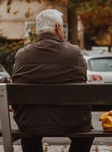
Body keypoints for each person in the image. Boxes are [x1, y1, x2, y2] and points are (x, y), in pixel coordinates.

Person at [12, 9, 94, 152]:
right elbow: (82, 80)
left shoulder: (22, 55)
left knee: (29, 132)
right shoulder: (74, 53)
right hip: (71, 121)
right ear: (58, 27)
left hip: (30, 122)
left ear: (38, 31)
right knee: (85, 134)